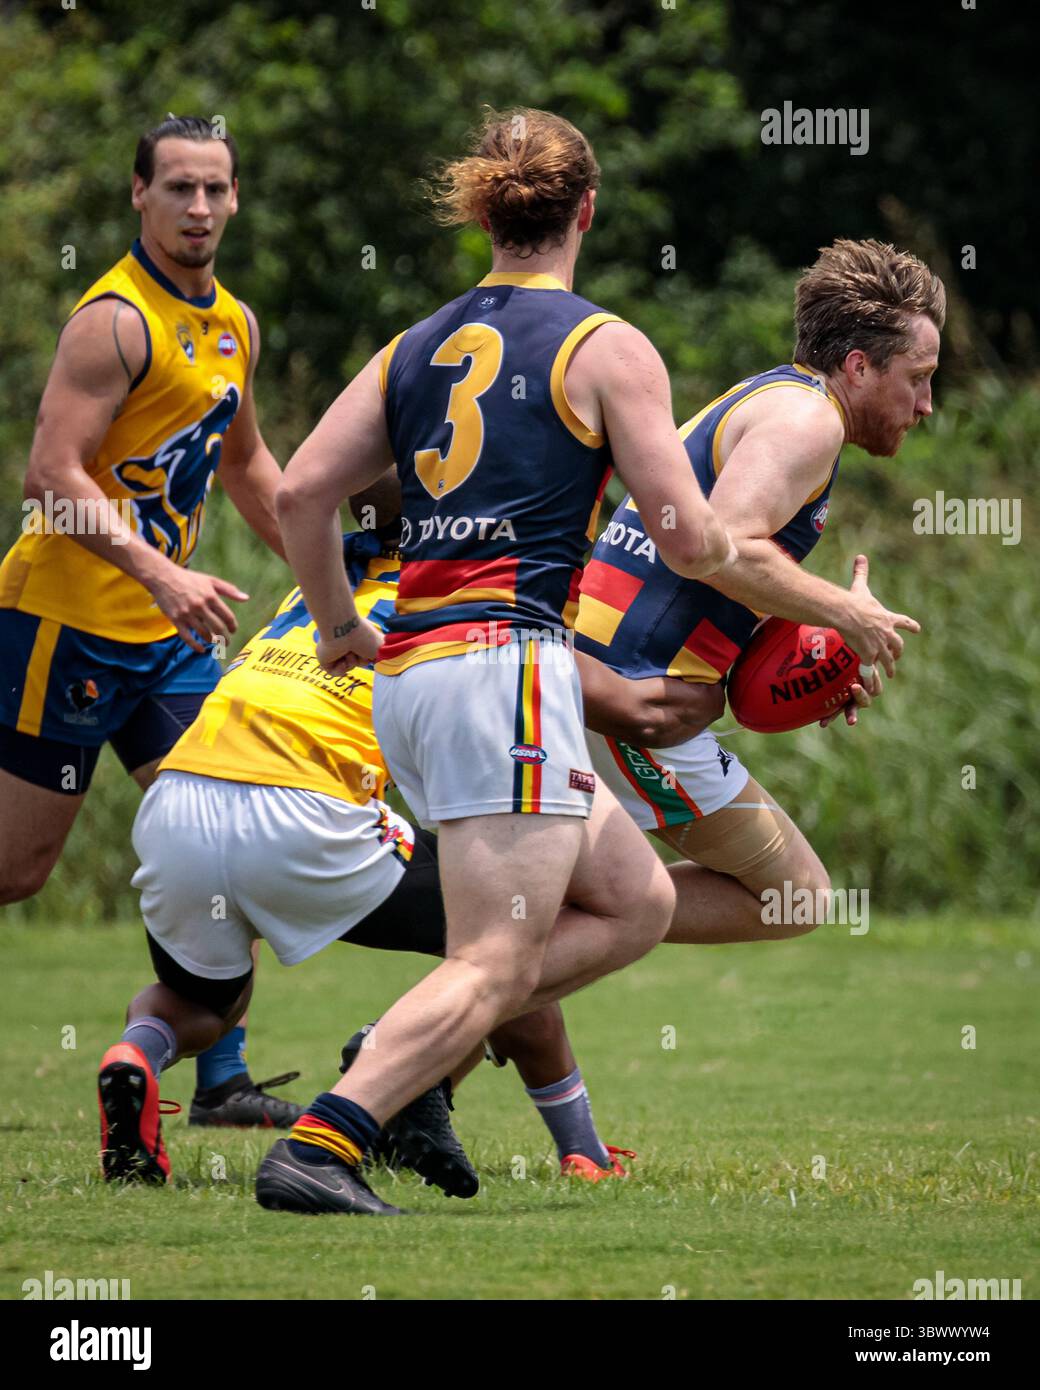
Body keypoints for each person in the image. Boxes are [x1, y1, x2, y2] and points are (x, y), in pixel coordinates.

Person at [266, 106, 734, 1215]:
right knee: (493, 959)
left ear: (482, 211)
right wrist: (798, 600)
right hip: (504, 669)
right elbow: (686, 537)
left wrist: (337, 623)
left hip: (418, 676)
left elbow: (296, 494)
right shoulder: (605, 345)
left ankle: (404, 1047)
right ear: (585, 209)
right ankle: (321, 1144)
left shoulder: (412, 344)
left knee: (631, 901)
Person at [96, 484, 722, 1195]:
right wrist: (722, 677)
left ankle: (135, 1056)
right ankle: (480, 1096)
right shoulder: (470, 600)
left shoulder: (318, 589)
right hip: (305, 811)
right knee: (506, 938)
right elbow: (643, 711)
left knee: (205, 1004)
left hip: (177, 800)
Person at [0, 115, 298, 1128]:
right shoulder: (114, 320)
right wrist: (157, 570)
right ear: (139, 196)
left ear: (236, 197)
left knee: (227, 842)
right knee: (16, 870)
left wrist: (328, 570)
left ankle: (221, 1082)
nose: (199, 208)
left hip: (167, 648)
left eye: (215, 188)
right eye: (178, 188)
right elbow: (49, 477)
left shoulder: (232, 327)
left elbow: (248, 464)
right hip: (63, 624)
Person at [573, 238, 941, 944]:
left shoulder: (773, 395)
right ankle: (518, 920)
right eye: (919, 377)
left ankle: (519, 924)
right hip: (633, 698)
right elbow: (721, 550)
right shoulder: (810, 422)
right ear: (859, 366)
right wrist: (844, 612)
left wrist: (812, 659)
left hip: (600, 675)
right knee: (796, 897)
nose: (926, 404)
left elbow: (702, 567)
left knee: (623, 898)